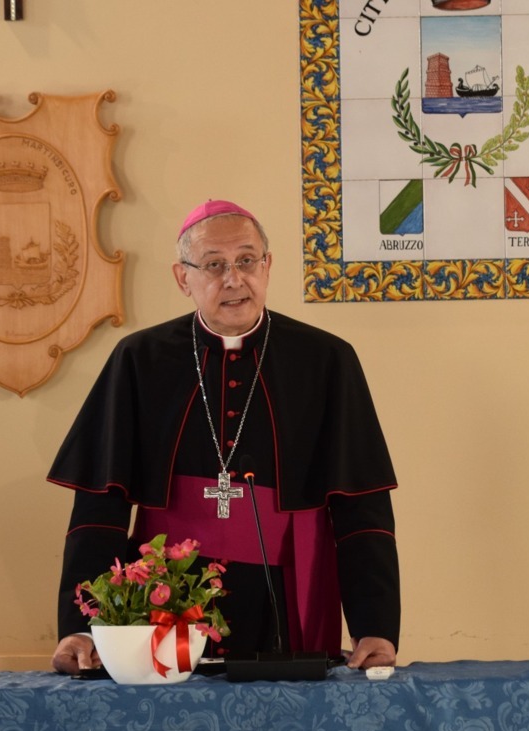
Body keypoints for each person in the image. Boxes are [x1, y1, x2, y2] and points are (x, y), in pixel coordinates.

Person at [48, 200, 400, 674]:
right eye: (214, 264)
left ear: (267, 266)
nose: (234, 279)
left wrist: (375, 625)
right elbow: (98, 512)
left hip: (286, 594)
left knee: (287, 714)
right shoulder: (139, 360)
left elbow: (363, 510)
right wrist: (82, 627)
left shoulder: (326, 360)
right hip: (163, 600)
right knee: (169, 712)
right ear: (183, 278)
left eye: (247, 260)